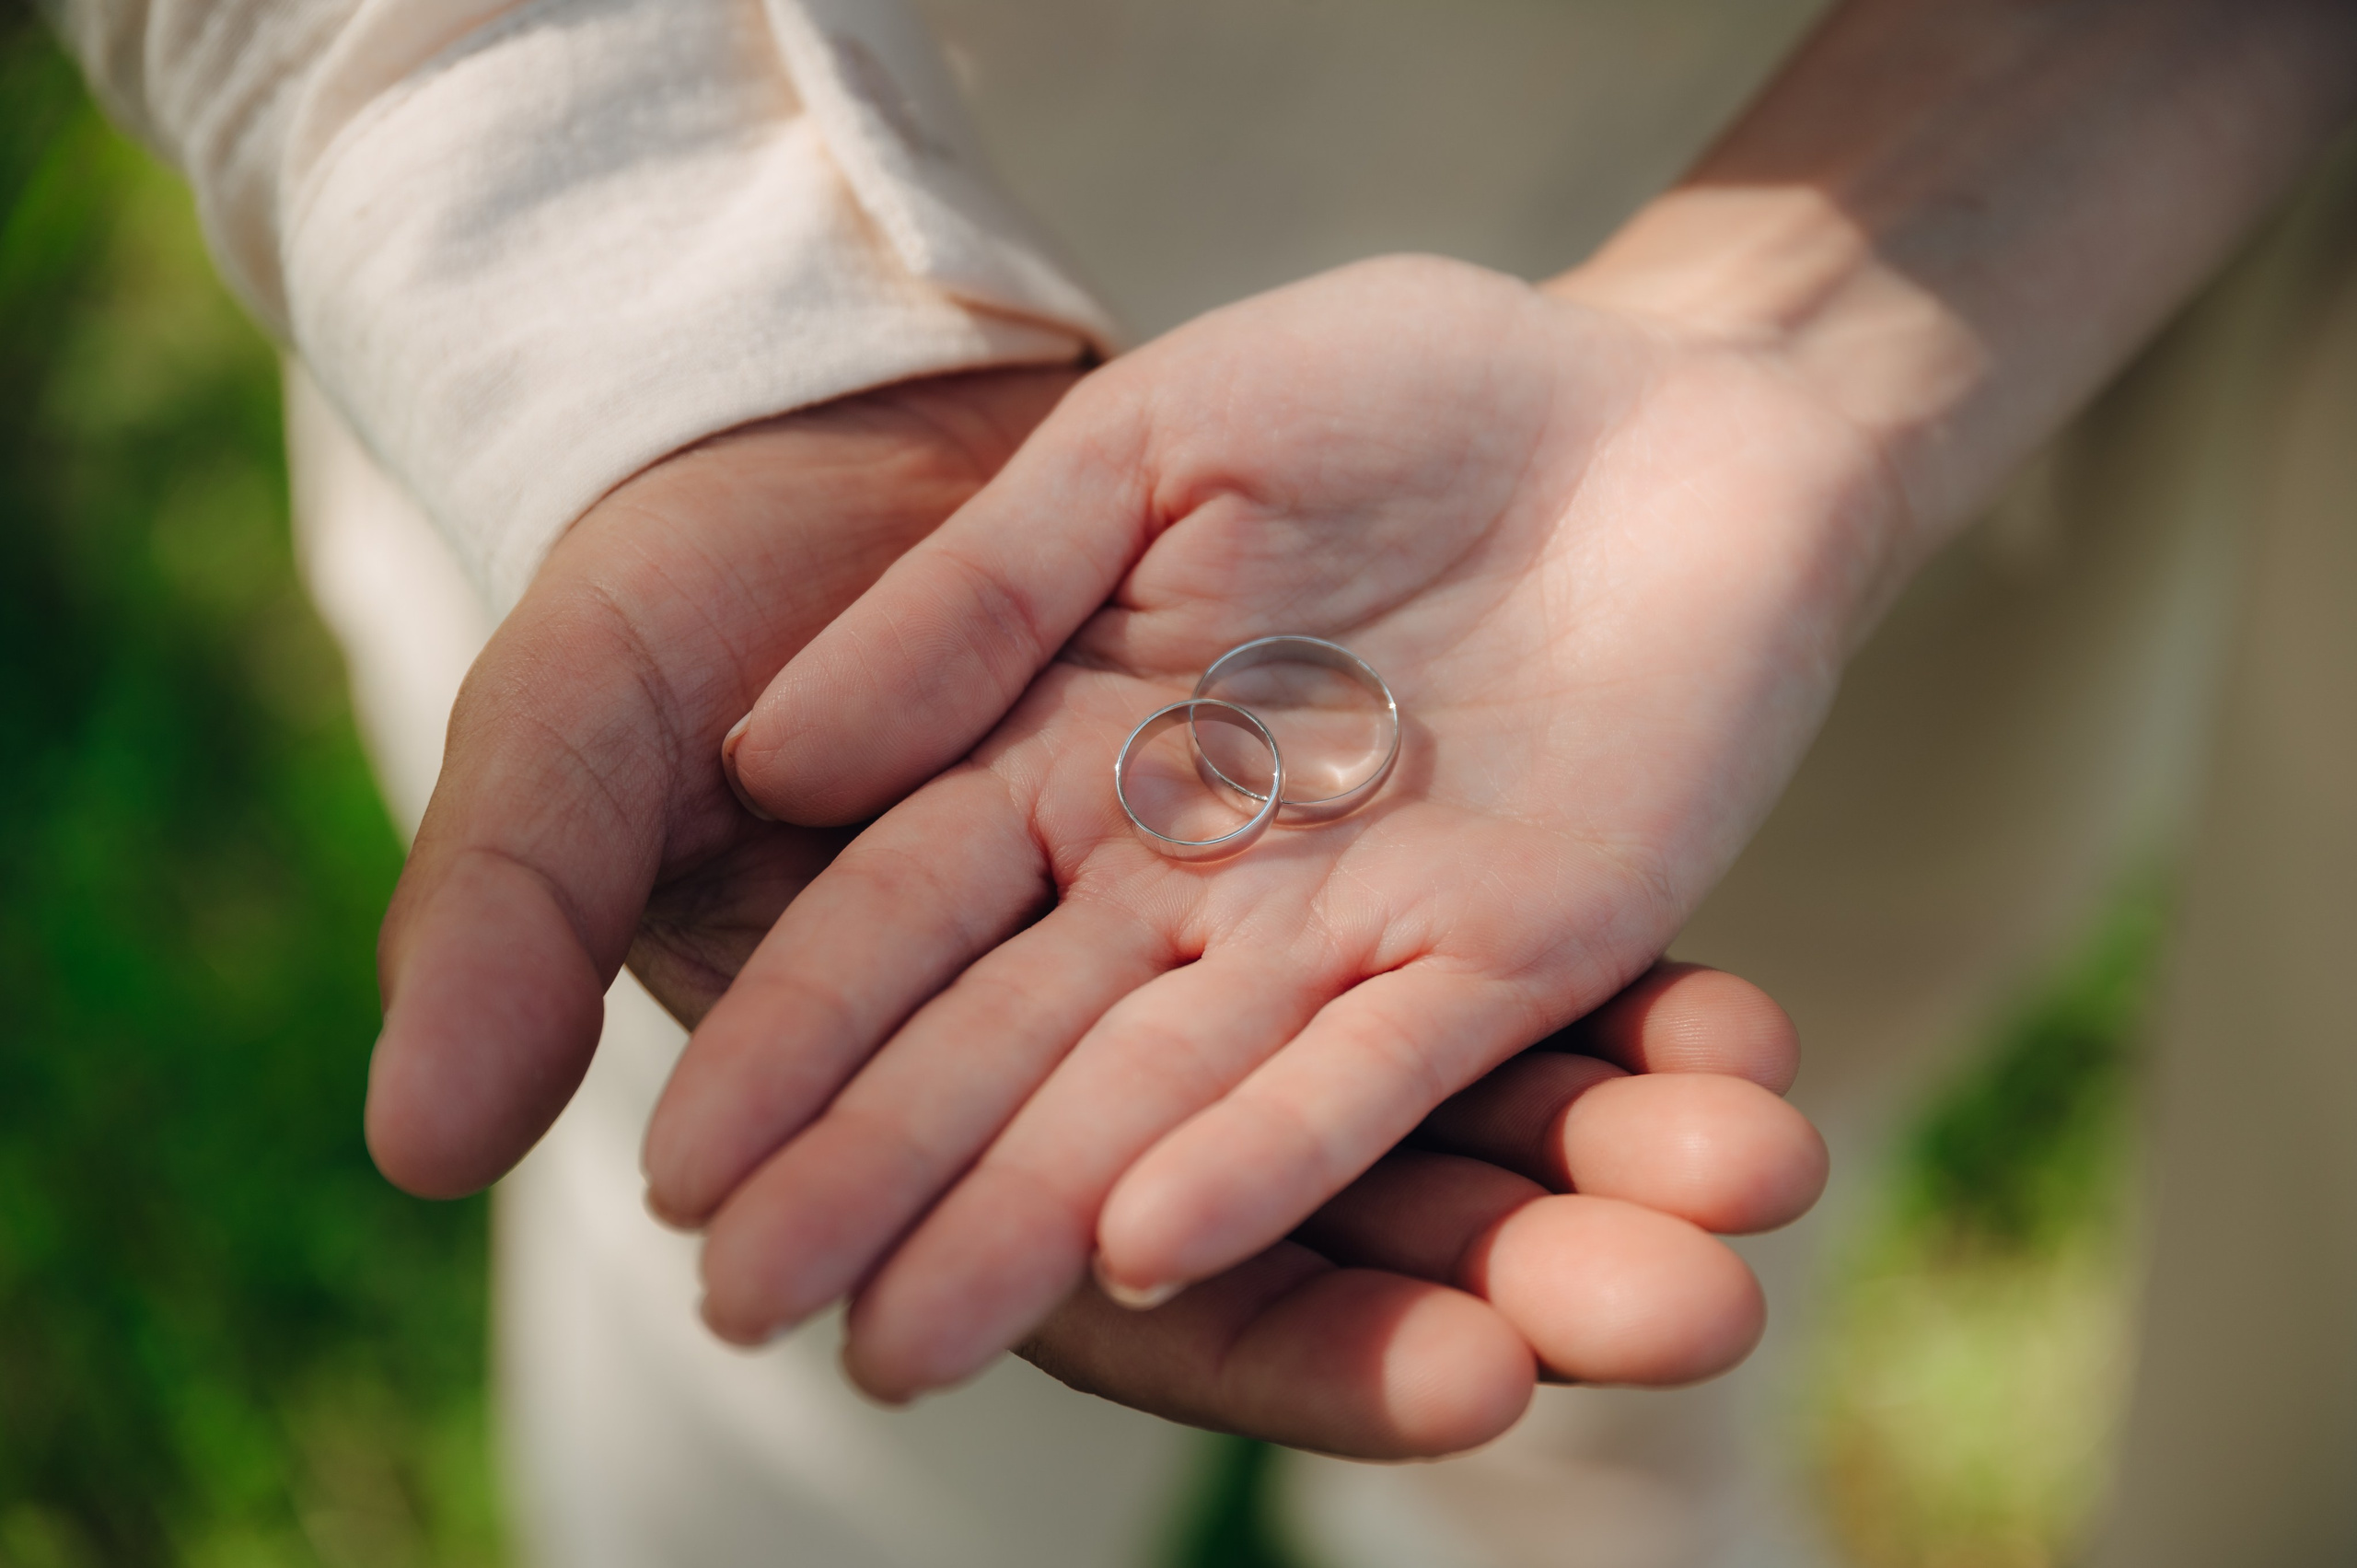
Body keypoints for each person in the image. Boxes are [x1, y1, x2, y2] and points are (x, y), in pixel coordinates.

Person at [48, 1, 2357, 1565]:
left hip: (1978, 351)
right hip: (914, 241)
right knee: (835, 1292)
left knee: (1710, 1123)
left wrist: (1814, 342)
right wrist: (697, 336)